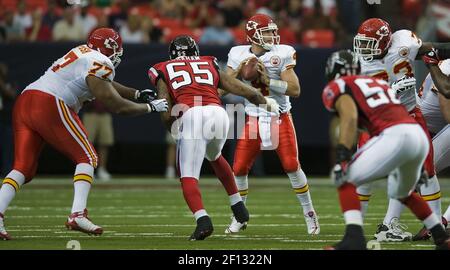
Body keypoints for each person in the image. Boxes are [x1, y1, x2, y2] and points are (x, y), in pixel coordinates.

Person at [0, 28, 168, 240]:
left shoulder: (82, 53)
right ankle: (77, 214)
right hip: (49, 102)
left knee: (22, 169)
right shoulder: (100, 62)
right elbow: (116, 106)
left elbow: (104, 84)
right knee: (87, 157)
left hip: (26, 100)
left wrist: (136, 94)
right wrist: (150, 108)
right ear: (110, 48)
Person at [148, 35, 278, 240]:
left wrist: (173, 129)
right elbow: (243, 89)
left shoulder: (162, 68)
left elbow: (165, 107)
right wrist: (264, 102)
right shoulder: (208, 62)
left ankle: (203, 220)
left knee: (188, 174)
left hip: (192, 115)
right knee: (215, 155)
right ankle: (238, 206)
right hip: (219, 114)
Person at [322, 49, 450, 250]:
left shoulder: (339, 85)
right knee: (400, 191)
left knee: (344, 177)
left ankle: (353, 239)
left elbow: (351, 118)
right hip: (416, 133)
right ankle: (441, 237)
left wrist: (342, 155)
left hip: (394, 136)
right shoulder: (379, 83)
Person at [353, 18, 450, 241]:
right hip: (377, 118)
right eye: (363, 42)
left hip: (409, 114)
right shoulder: (358, 63)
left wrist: (436, 54)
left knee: (427, 170)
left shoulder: (404, 41)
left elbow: (428, 48)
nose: (364, 48)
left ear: (386, 41)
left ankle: (434, 227)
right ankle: (356, 230)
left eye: (370, 43)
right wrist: (391, 90)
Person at [225, 13, 320, 235]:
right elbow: (221, 89)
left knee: (291, 165)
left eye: (272, 30)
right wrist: (237, 73)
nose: (272, 35)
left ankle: (309, 214)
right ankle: (239, 217)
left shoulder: (282, 53)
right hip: (253, 117)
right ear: (253, 35)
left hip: (279, 115)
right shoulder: (237, 54)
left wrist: (269, 81)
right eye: (266, 31)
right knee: (238, 169)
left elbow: (295, 90)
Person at [417, 54, 450, 236]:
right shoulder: (447, 68)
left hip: (436, 132)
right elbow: (448, 115)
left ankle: (442, 222)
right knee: (414, 177)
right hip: (422, 132)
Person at [82, 100, 114, 181]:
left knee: (104, 142)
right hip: (90, 113)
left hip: (105, 113)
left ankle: (102, 170)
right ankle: (87, 169)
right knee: (87, 143)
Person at [0, 63, 17, 178]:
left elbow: (11, 94)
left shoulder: (8, 81)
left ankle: (7, 171)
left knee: (6, 146)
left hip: (4, 118)